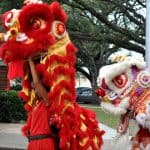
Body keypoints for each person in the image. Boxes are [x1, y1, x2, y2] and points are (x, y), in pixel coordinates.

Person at [22, 57, 57, 150]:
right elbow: (34, 83)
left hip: (44, 143)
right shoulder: (37, 103)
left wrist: (30, 60)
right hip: (34, 143)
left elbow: (36, 83)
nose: (35, 88)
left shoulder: (49, 100)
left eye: (38, 87)